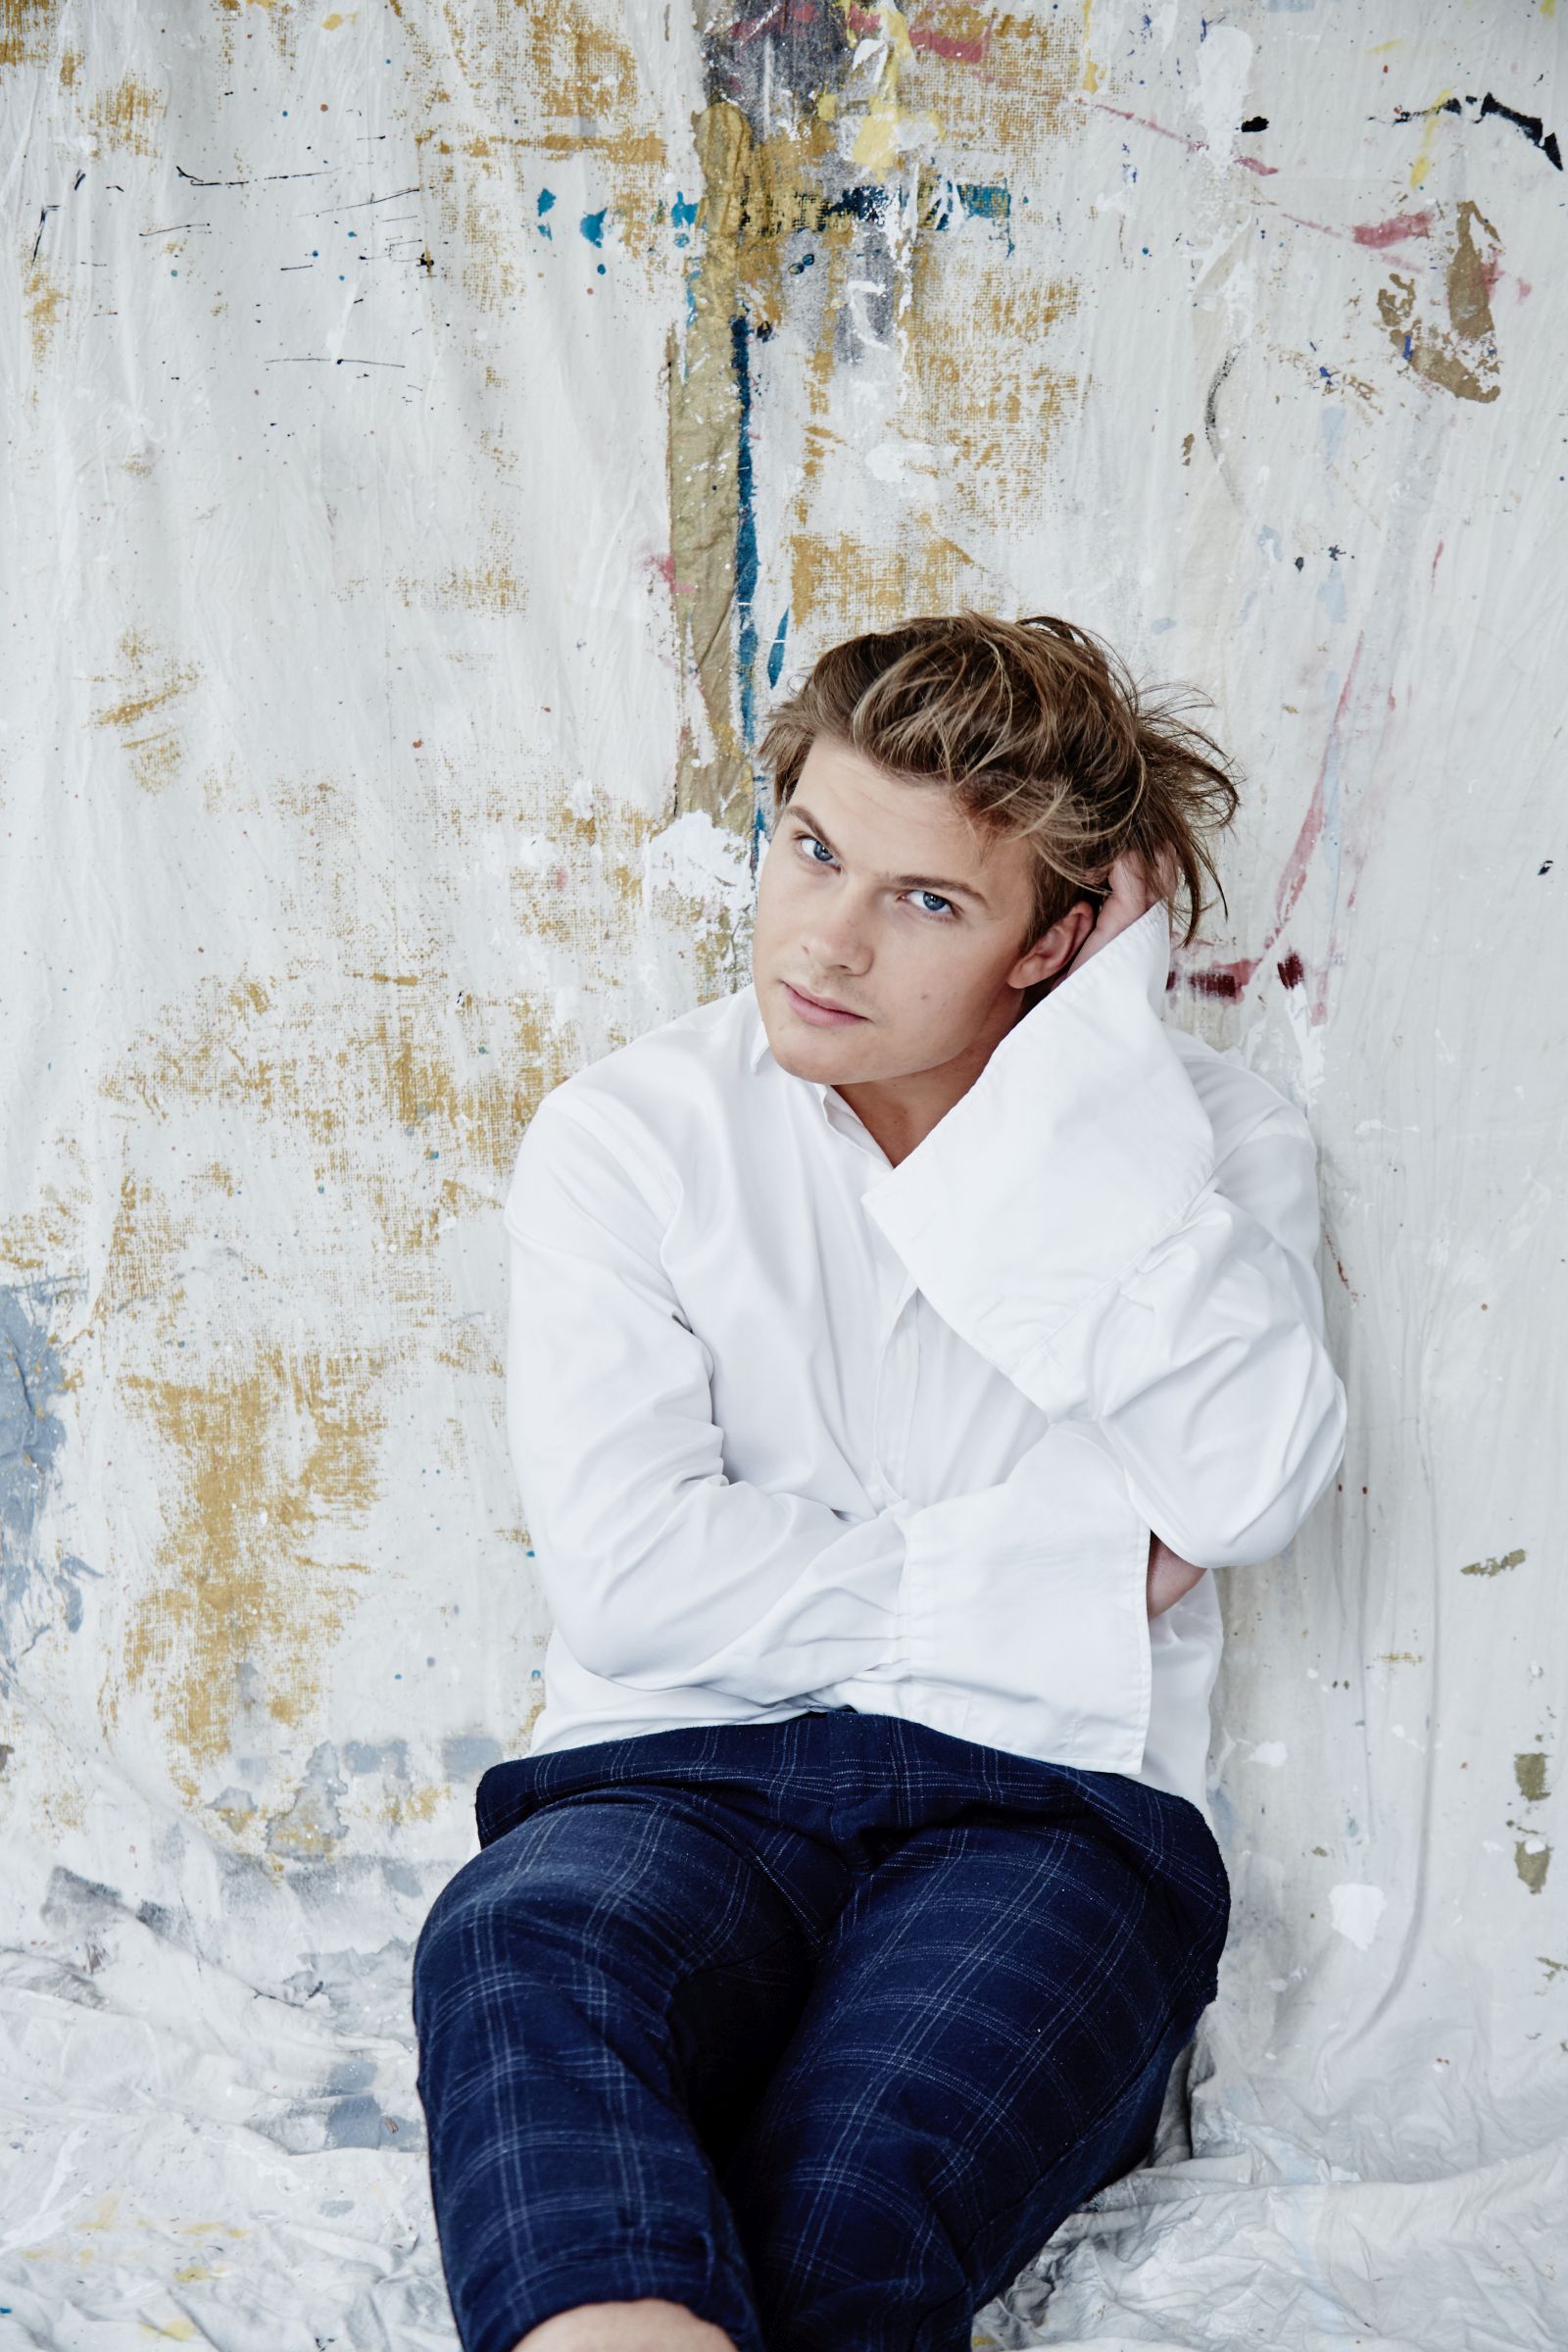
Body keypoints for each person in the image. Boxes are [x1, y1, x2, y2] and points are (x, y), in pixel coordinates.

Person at [411, 611, 1348, 2352]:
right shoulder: (630, 1136)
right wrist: (1057, 1581)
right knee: (519, 1952)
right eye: (814, 848)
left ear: (1058, 944)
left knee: (836, 2208)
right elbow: (629, 1580)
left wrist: (1077, 1105)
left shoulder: (1208, 1157)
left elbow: (1235, 1495)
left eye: (926, 900)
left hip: (1050, 1812)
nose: (825, 938)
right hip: (670, 1776)